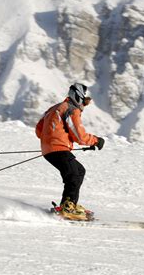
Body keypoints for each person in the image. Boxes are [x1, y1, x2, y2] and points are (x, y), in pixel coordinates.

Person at [35, 83, 105, 220]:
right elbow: (79, 135)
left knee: (79, 171)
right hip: (59, 149)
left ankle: (69, 204)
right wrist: (96, 140)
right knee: (73, 174)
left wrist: (50, 140)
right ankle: (68, 207)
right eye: (85, 101)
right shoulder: (71, 110)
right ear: (78, 97)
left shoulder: (54, 108)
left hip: (49, 149)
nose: (84, 105)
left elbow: (39, 129)